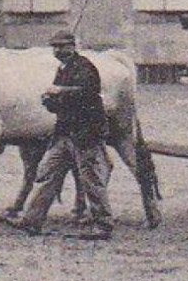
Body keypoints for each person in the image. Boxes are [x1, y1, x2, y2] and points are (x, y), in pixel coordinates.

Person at [7, 29, 113, 240]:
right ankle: (32, 220)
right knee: (46, 175)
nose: (59, 50)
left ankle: (103, 224)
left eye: (63, 46)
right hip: (63, 134)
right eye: (55, 47)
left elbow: (87, 93)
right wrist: (49, 101)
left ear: (73, 47)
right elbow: (60, 104)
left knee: (90, 179)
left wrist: (59, 92)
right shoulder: (62, 70)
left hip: (85, 135)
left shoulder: (85, 68)